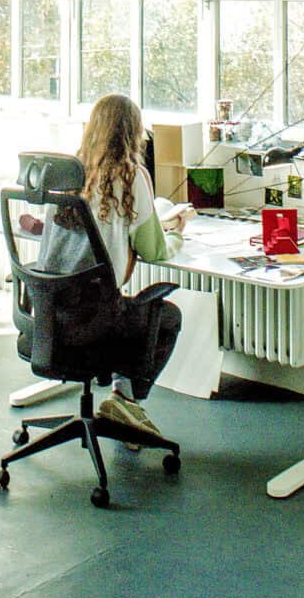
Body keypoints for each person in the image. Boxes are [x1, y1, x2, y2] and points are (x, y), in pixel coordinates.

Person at [39, 93, 194, 442]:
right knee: (166, 316)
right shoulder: (130, 176)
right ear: (133, 133)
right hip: (94, 320)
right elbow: (153, 250)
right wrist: (178, 233)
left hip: (51, 316)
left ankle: (122, 404)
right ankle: (124, 399)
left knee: (128, 313)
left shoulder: (68, 173)